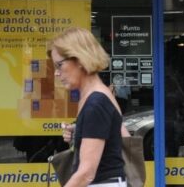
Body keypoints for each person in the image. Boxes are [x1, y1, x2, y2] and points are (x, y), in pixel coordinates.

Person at [48, 27, 127, 187]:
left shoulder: (96, 102)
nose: (56, 73)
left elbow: (86, 173)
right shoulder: (99, 94)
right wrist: (80, 130)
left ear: (79, 60)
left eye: (59, 65)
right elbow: (122, 135)